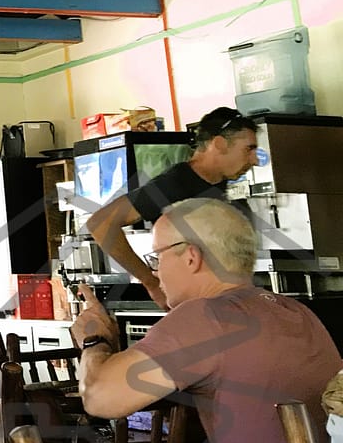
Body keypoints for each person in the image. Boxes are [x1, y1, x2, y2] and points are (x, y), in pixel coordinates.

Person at [71, 197, 340, 443]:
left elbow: (100, 398)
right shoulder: (297, 311)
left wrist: (94, 340)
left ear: (191, 257)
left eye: (156, 258)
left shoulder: (208, 317)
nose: (155, 272)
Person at [85, 106, 259, 308]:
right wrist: (151, 282)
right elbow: (100, 223)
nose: (255, 160)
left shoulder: (227, 186)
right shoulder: (175, 184)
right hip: (196, 311)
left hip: (231, 304)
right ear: (219, 144)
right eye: (249, 149)